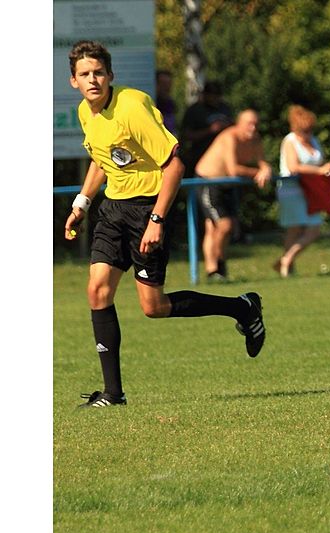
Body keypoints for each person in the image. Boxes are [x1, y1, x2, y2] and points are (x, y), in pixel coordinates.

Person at [63, 41, 266, 408]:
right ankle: (113, 394)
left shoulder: (132, 106)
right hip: (114, 209)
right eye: (84, 74)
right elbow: (101, 159)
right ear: (73, 80)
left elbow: (175, 165)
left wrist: (156, 219)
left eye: (98, 73)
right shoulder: (85, 111)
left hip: (147, 209)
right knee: (97, 290)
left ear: (110, 75)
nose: (92, 80)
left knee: (153, 307)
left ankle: (243, 308)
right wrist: (82, 202)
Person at [194, 109, 273, 281]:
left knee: (219, 228)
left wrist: (266, 169)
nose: (252, 128)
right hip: (208, 181)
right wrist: (257, 173)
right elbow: (233, 169)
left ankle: (216, 269)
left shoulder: (255, 139)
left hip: (227, 185)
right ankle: (214, 268)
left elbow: (262, 162)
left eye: (255, 124)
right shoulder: (230, 137)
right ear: (239, 123)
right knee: (223, 226)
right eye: (248, 124)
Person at [275, 105, 330, 277]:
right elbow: (293, 167)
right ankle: (287, 267)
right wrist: (319, 170)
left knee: (314, 228)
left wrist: (327, 167)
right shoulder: (290, 141)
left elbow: (320, 163)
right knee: (293, 228)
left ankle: (286, 259)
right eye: (305, 130)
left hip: (311, 189)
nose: (308, 133)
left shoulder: (314, 141)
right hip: (291, 189)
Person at [180, 81, 233, 179]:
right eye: (211, 95)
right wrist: (210, 130)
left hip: (223, 157)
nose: (214, 98)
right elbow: (186, 135)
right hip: (199, 156)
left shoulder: (225, 108)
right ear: (205, 95)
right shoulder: (195, 110)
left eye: (217, 95)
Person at [155, 69, 177, 135]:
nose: (167, 87)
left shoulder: (171, 104)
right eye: (163, 84)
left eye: (169, 84)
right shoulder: (153, 104)